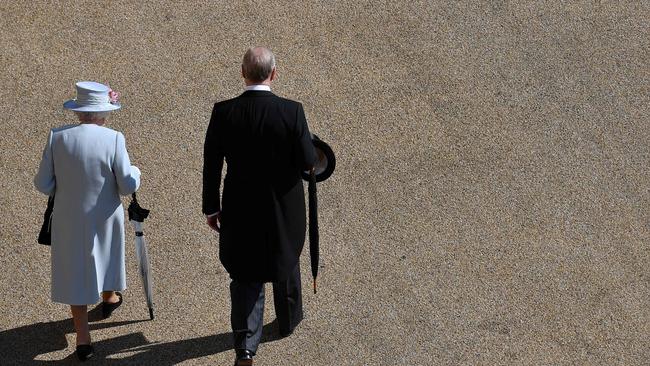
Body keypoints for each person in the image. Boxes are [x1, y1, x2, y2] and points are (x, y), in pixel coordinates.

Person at [202, 47, 316, 366]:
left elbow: (211, 165)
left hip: (240, 207)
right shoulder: (292, 111)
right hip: (284, 208)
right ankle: (287, 320)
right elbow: (308, 161)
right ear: (274, 74)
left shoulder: (223, 112)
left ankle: (246, 347)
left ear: (243, 73)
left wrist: (211, 208)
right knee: (286, 260)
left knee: (245, 274)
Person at [34, 81, 141, 361]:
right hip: (105, 215)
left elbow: (43, 183)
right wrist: (137, 172)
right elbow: (127, 184)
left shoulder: (57, 137)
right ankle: (109, 297)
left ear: (78, 111)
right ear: (104, 112)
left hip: (69, 217)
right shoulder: (115, 138)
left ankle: (83, 337)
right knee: (106, 256)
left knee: (75, 271)